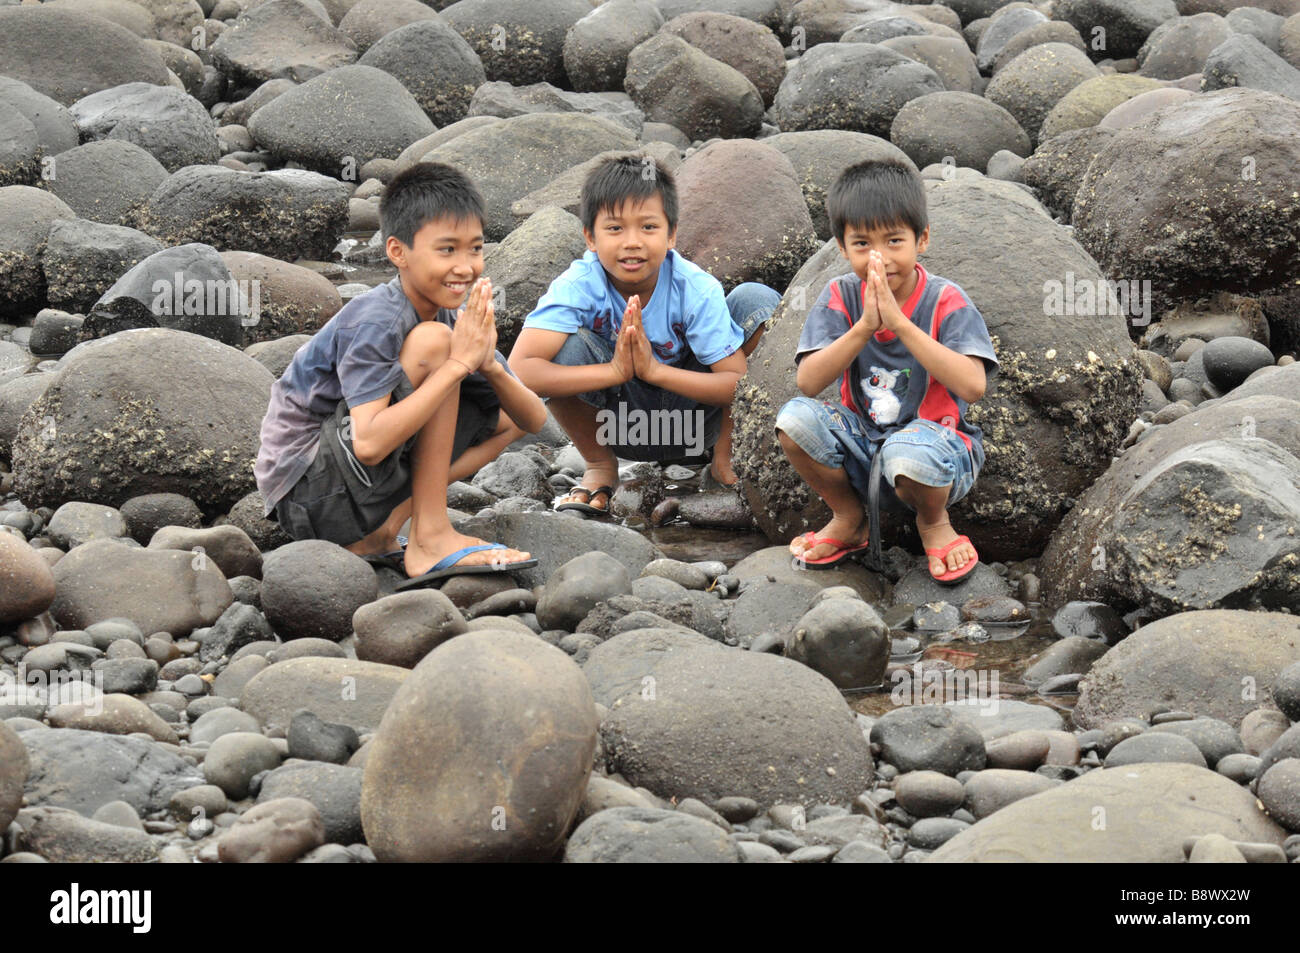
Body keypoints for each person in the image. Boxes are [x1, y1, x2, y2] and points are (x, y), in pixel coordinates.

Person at [254, 162, 548, 590]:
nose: (465, 267)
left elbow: (532, 421)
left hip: (351, 491)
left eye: (475, 249)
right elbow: (370, 444)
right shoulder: (377, 318)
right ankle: (430, 536)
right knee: (434, 345)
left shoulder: (451, 315)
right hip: (306, 493)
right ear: (397, 252)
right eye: (446, 250)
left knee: (497, 408)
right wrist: (456, 366)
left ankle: (382, 535)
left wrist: (483, 363)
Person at [508, 153, 780, 515]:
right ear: (590, 237)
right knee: (566, 345)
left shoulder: (694, 288)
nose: (632, 242)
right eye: (615, 228)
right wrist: (615, 371)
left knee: (757, 301)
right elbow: (521, 371)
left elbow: (737, 384)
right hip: (621, 428)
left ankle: (724, 457)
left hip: (697, 426)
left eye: (648, 227)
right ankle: (600, 467)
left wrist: (655, 371)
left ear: (671, 235)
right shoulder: (578, 285)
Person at [774, 159, 999, 583]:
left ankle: (933, 523)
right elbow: (808, 381)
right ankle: (849, 517)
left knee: (906, 453)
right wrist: (864, 327)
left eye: (894, 240)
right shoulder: (840, 294)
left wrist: (899, 323)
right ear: (841, 247)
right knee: (794, 420)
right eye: (862, 244)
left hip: (938, 450)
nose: (880, 257)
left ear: (922, 239)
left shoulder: (946, 300)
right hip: (865, 446)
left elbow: (973, 386)